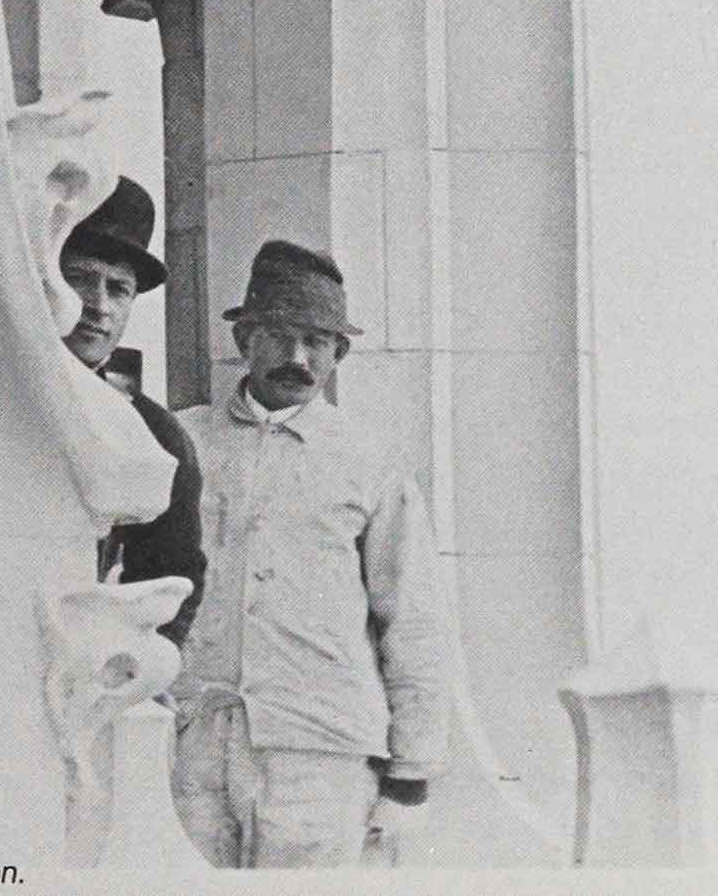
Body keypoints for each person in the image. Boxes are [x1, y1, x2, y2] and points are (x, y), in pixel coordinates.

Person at [173, 240, 448, 869]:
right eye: (276, 334)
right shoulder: (184, 441)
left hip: (323, 755)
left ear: (338, 354)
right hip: (193, 743)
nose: (297, 357)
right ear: (244, 339)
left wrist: (412, 774)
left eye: (316, 340)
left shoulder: (369, 460)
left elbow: (413, 617)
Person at [59, 178, 204, 644]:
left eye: (118, 289)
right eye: (79, 278)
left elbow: (171, 576)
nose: (98, 305)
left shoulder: (156, 435)